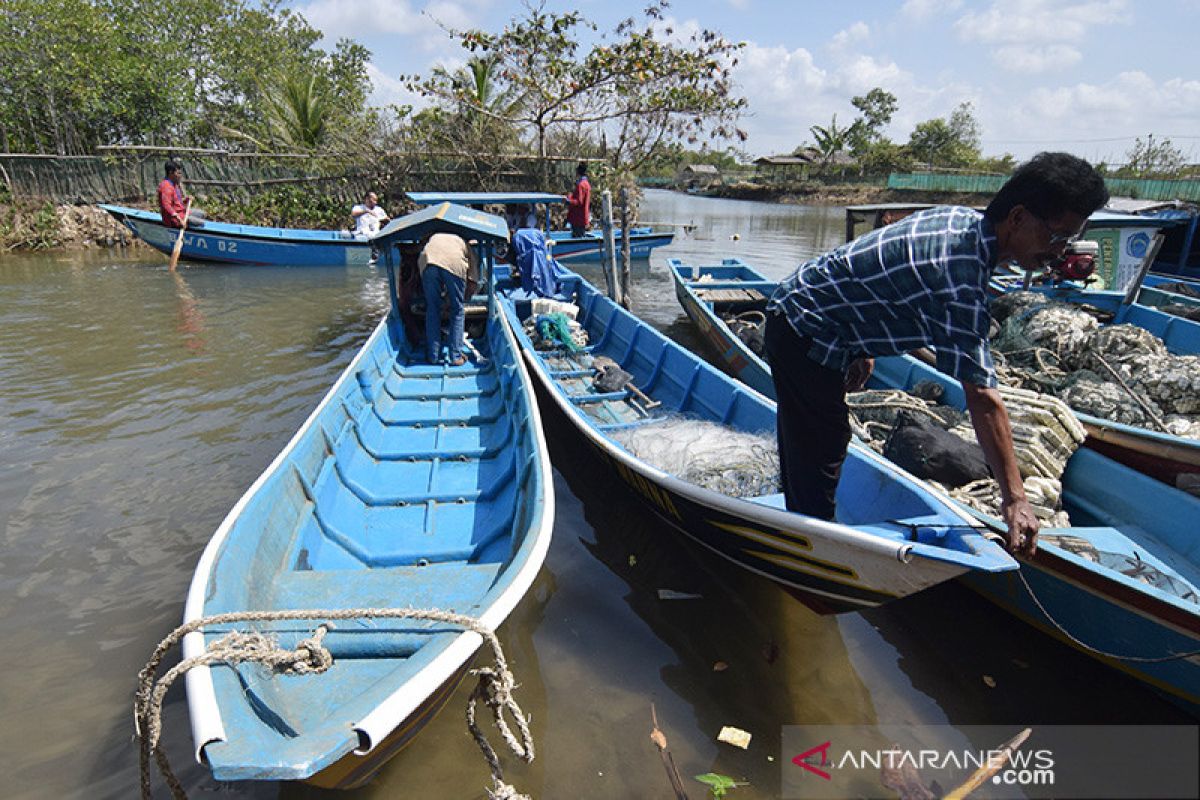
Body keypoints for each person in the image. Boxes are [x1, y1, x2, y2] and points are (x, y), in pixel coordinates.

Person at [763, 151, 1110, 556]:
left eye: (1067, 241)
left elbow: (885, 273)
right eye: (1055, 237)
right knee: (823, 440)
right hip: (803, 324)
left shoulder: (962, 221)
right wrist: (1015, 499)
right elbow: (982, 397)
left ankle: (800, 512)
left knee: (820, 439)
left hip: (829, 321)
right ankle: (809, 547)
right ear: (1017, 218)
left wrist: (862, 345)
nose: (1058, 251)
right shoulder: (960, 275)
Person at [419, 232, 479, 366]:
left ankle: (433, 355)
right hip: (454, 261)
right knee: (457, 311)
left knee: (432, 309)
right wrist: (463, 299)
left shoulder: (434, 238)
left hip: (427, 260)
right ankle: (456, 356)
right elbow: (473, 282)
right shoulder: (465, 245)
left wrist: (446, 300)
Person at [157, 161, 205, 228]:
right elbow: (166, 206)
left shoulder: (174, 184)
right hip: (173, 219)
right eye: (178, 173)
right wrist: (179, 219)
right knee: (201, 223)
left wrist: (186, 199)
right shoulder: (166, 186)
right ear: (171, 172)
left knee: (201, 214)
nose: (180, 176)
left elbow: (176, 201)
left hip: (182, 212)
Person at [564, 162, 591, 237]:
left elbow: (579, 202)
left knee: (578, 236)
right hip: (582, 218)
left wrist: (568, 201)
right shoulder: (586, 184)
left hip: (578, 219)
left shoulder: (581, 185)